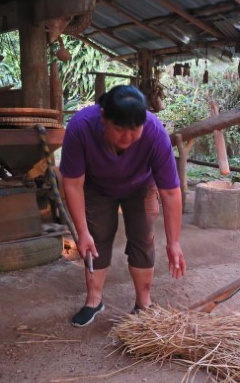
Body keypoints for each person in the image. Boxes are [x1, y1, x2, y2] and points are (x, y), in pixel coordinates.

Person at [60, 85, 186, 327]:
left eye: (134, 130)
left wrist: (174, 241)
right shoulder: (81, 127)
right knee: (96, 239)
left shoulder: (155, 133)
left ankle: (143, 303)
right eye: (119, 129)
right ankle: (93, 300)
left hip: (140, 187)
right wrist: (82, 233)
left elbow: (170, 192)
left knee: (143, 238)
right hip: (96, 188)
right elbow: (73, 184)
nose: (127, 138)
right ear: (103, 117)